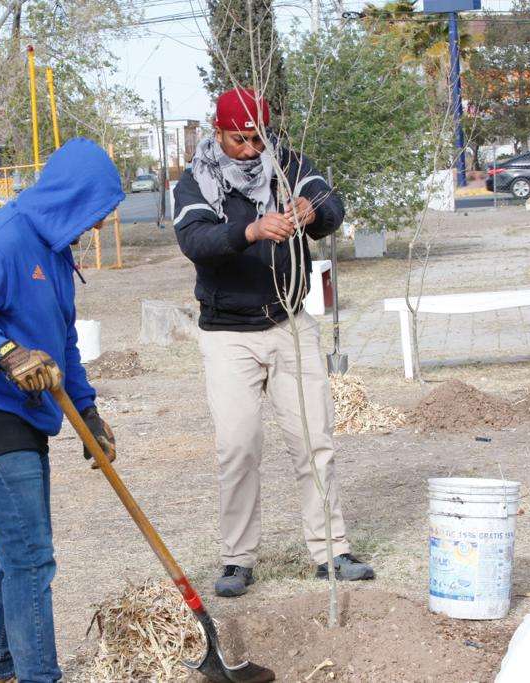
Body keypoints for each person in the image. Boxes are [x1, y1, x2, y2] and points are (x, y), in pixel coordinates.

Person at [0, 138, 124, 683]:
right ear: (69, 198)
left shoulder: (55, 255)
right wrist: (4, 352)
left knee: (18, 550)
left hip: (21, 420)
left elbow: (62, 342)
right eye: (97, 212)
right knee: (31, 558)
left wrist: (88, 415)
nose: (99, 226)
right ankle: (41, 675)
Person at [172, 88, 375, 598]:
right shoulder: (194, 181)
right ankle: (237, 560)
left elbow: (331, 204)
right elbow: (195, 243)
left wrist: (312, 211)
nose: (250, 149)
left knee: (314, 440)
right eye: (239, 139)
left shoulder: (287, 162)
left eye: (258, 137)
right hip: (227, 335)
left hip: (290, 323)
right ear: (217, 133)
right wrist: (252, 230)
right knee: (238, 448)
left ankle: (331, 551)